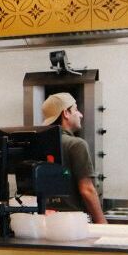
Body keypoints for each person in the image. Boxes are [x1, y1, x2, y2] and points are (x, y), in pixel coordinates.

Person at [41, 93, 107, 224]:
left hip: (45, 222)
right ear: (66, 113)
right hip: (73, 224)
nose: (80, 115)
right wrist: (103, 224)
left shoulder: (39, 144)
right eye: (76, 109)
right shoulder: (76, 144)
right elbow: (87, 190)